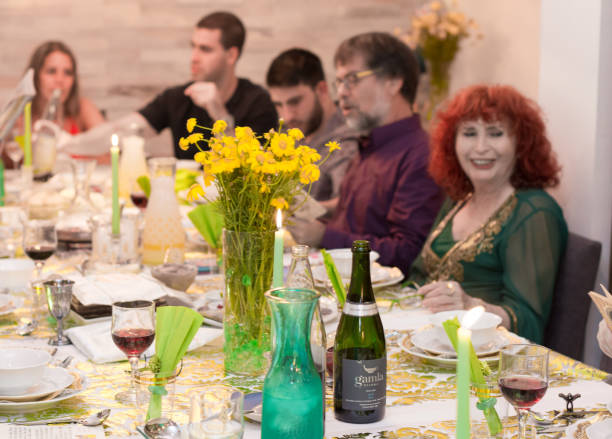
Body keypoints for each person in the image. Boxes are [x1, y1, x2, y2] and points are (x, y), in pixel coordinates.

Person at [408, 84, 568, 343]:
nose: (480, 147)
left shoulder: (533, 211)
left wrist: (470, 305)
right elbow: (417, 276)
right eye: (469, 133)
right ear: (452, 142)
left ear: (521, 143)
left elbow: (528, 322)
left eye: (495, 133)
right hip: (431, 342)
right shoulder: (459, 199)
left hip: (489, 358)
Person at [288, 33, 443, 275]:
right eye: (338, 82)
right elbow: (363, 217)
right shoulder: (369, 144)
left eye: (352, 79)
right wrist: (317, 209)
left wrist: (324, 236)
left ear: (393, 81)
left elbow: (408, 253)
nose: (341, 93)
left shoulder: (421, 155)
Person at [59, 11, 277, 159]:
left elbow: (253, 171)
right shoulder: (178, 97)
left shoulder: (258, 102)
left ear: (231, 55)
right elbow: (123, 130)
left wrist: (219, 114)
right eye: (193, 47)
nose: (194, 57)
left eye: (205, 49)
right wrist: (68, 143)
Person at [266, 48, 357, 206]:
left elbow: (349, 206)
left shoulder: (348, 140)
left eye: (295, 102)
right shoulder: (288, 133)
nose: (287, 116)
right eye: (279, 105)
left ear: (322, 89)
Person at [27, 41, 105, 134]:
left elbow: (107, 140)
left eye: (68, 72)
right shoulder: (21, 117)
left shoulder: (82, 108)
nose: (60, 80)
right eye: (51, 71)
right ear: (35, 76)